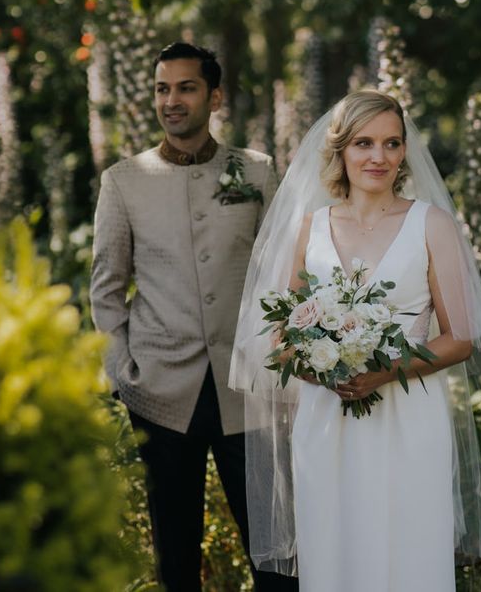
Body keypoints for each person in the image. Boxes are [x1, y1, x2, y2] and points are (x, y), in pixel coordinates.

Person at [229, 89, 481, 590]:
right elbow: (280, 339)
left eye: (391, 143)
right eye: (364, 143)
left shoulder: (432, 224)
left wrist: (381, 371)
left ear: (404, 152)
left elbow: (460, 338)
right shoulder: (308, 229)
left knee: (408, 553)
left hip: (409, 416)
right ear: (340, 150)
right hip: (326, 417)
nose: (378, 157)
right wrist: (325, 370)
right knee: (334, 553)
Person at [90, 42, 298, 592]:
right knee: (176, 561)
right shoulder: (123, 181)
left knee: (276, 557)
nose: (172, 100)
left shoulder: (255, 171)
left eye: (185, 87)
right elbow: (106, 289)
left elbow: (282, 271)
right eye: (163, 88)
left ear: (214, 96)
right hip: (160, 391)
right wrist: (122, 373)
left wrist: (283, 360)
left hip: (248, 387)